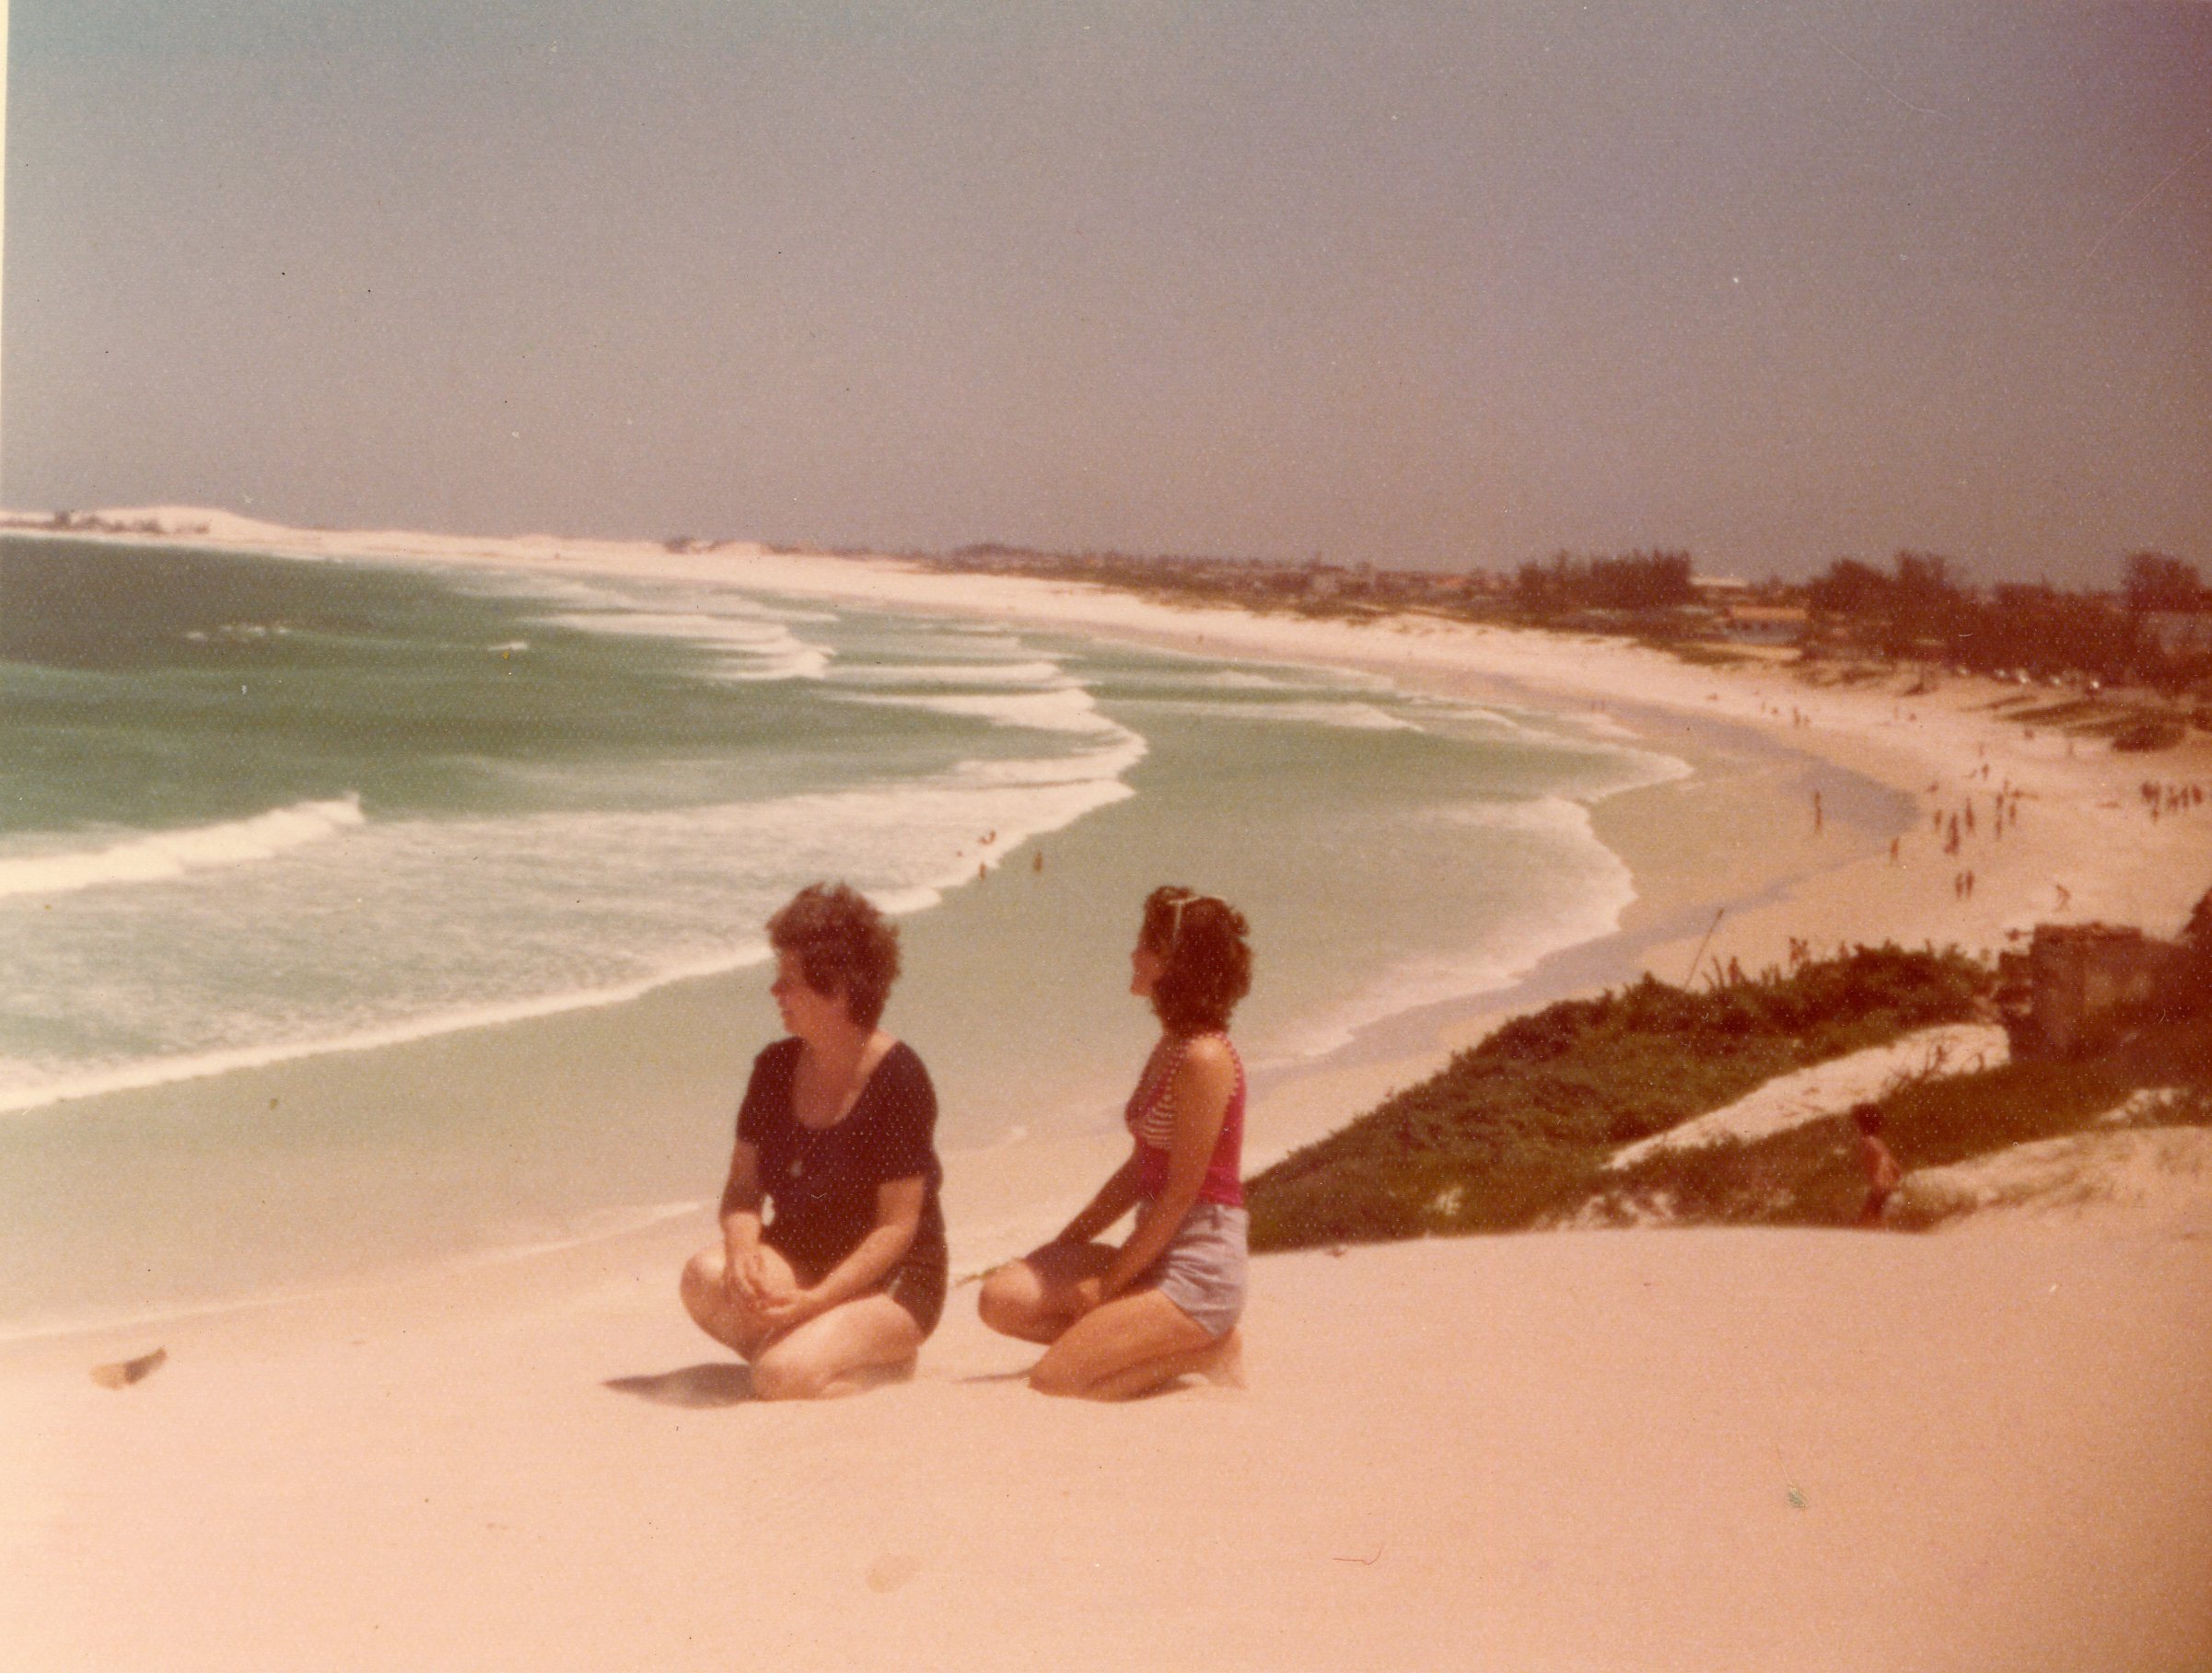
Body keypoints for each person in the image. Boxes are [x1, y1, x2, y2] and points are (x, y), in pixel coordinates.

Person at [978, 887, 1252, 1399]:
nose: (1133, 955)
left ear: (1174, 962)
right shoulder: (1173, 1045)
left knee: (1056, 1380)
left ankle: (1208, 1346)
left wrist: (1107, 1286)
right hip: (1154, 1249)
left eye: (1146, 945)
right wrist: (1068, 1242)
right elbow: (1138, 1170)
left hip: (1198, 1270)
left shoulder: (1205, 1059)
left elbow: (1180, 1194)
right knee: (1001, 1299)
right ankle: (1129, 1340)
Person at [680, 883, 947, 1400]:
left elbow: (896, 1229)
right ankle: (822, 1349)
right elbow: (742, 1191)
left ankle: (873, 1354)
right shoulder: (774, 1068)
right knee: (703, 1277)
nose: (775, 992)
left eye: (790, 982)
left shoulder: (899, 1078)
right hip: (801, 1259)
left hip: (892, 1280)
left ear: (838, 990)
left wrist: (819, 1300)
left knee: (778, 1378)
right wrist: (742, 1247)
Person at [1851, 1102, 1903, 1228]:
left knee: (1867, 1222)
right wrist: (1898, 1175)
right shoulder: (1878, 1142)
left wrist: (1879, 1180)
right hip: (1888, 1186)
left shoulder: (1867, 1141)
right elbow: (1892, 1162)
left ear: (1860, 1124)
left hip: (1880, 1187)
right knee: (1870, 1220)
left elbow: (1882, 1159)